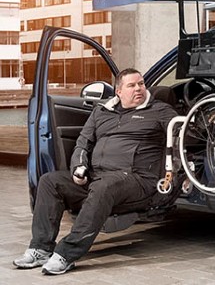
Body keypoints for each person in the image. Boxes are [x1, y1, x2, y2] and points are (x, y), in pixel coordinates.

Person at [13, 68, 178, 275]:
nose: (139, 89)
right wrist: (78, 168)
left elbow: (184, 132)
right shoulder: (101, 111)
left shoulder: (160, 111)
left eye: (141, 84)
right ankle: (41, 248)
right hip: (98, 177)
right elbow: (84, 141)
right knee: (50, 181)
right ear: (118, 91)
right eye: (132, 85)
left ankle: (67, 253)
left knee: (104, 186)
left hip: (138, 180)